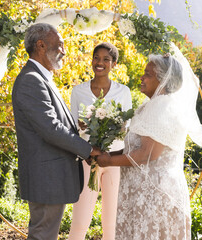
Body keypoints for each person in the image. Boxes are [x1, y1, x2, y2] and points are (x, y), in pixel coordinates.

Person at [96, 45, 202, 239]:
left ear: (163, 79)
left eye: (147, 74)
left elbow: (146, 155)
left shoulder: (163, 108)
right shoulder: (149, 106)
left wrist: (109, 162)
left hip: (155, 196)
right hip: (143, 194)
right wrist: (107, 154)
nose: (141, 77)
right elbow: (136, 147)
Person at [11, 23, 101, 240]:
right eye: (60, 45)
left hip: (51, 177)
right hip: (46, 178)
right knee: (43, 235)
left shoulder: (41, 78)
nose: (64, 51)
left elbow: (52, 123)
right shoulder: (31, 80)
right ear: (41, 45)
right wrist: (88, 150)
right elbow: (50, 129)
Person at [68, 42, 132, 240]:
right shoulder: (78, 91)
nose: (100, 62)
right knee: (80, 221)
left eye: (106, 59)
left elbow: (126, 127)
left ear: (113, 64)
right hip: (88, 161)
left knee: (111, 222)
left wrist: (114, 127)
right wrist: (83, 127)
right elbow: (72, 126)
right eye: (97, 57)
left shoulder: (124, 92)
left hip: (114, 160)